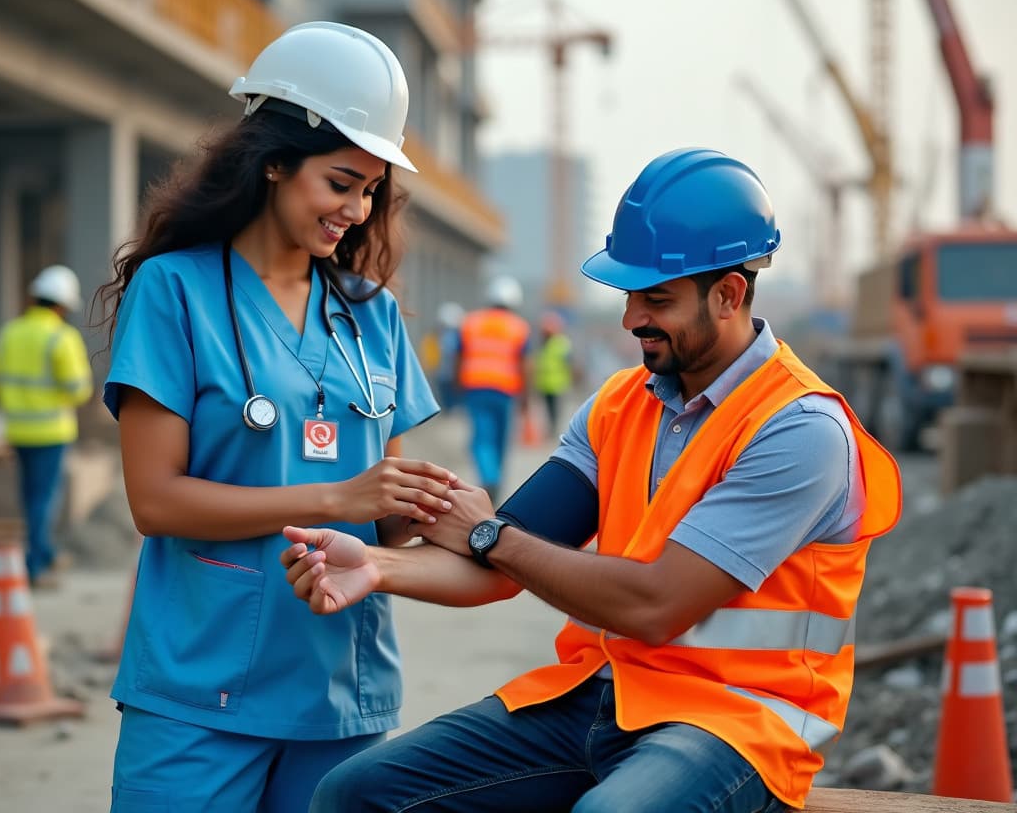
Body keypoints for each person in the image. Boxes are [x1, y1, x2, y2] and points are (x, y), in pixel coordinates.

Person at [282, 148, 904, 812]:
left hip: (740, 723)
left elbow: (653, 605)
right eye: (630, 294)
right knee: (356, 794)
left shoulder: (800, 430)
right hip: (606, 692)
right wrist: (376, 566)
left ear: (728, 294)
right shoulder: (621, 402)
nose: (633, 317)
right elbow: (502, 564)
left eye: (656, 298)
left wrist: (489, 533)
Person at [94, 22, 456, 813]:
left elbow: (388, 512)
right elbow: (155, 502)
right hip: (200, 687)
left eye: (370, 190)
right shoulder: (175, 291)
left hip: (342, 694)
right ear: (273, 164)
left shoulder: (374, 316)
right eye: (340, 183)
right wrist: (335, 499)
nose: (357, 210)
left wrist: (455, 516)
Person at [0, 264, 93, 588]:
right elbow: (79, 390)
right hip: (51, 431)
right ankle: (35, 565)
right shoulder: (62, 337)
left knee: (31, 496)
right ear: (62, 305)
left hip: (17, 430)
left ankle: (44, 552)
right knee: (44, 499)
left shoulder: (7, 333)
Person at [456, 276, 530, 502]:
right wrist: (526, 395)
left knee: (481, 438)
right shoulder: (519, 326)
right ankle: (495, 480)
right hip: (506, 390)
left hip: (476, 387)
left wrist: (456, 383)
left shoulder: (470, 322)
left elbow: (458, 355)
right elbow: (525, 364)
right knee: (500, 439)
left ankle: (489, 476)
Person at [532, 309, 576, 438]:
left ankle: (552, 430)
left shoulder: (561, 343)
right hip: (545, 383)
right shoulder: (543, 343)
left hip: (557, 383)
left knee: (554, 410)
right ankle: (550, 429)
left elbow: (569, 362)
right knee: (547, 409)